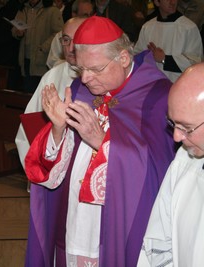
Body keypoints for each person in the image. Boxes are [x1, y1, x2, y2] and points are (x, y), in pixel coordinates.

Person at [23, 16, 175, 266]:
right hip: (74, 219)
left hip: (115, 224)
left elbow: (157, 171)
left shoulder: (158, 96)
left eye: (95, 69)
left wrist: (101, 141)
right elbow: (52, 170)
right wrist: (59, 129)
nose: (85, 79)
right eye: (80, 69)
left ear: (124, 59)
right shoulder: (81, 90)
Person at [137, 62, 204, 266]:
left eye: (187, 128)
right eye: (173, 124)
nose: (176, 137)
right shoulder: (184, 159)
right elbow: (159, 241)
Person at [16, 17, 86, 168]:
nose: (71, 47)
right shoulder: (52, 76)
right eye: (66, 40)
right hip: (54, 162)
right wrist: (37, 167)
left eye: (78, 39)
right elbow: (30, 125)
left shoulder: (105, 77)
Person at [134, 0, 203, 83]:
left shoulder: (189, 28)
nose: (172, 2)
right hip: (152, 85)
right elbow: (136, 56)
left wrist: (165, 59)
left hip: (179, 86)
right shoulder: (147, 27)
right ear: (157, 2)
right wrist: (147, 55)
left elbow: (195, 63)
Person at [12, 0, 63, 93]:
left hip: (43, 59)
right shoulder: (23, 9)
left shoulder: (52, 10)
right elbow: (14, 29)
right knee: (27, 93)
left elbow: (59, 33)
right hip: (26, 58)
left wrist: (43, 47)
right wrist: (18, 33)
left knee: (41, 94)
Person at [46, 0, 94, 68]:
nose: (89, 18)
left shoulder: (98, 35)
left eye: (91, 15)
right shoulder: (62, 36)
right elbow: (52, 61)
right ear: (74, 14)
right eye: (85, 15)